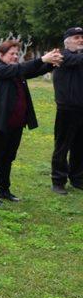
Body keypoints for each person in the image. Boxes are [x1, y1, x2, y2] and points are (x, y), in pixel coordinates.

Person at [0, 41, 62, 205]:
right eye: (11, 53)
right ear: (0, 55)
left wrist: (51, 64)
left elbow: (32, 71)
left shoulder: (15, 71)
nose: (15, 56)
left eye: (16, 54)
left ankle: (4, 190)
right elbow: (22, 68)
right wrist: (42, 59)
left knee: (8, 158)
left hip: (16, 124)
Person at [51, 27, 83, 195]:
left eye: (82, 37)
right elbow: (73, 60)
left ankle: (77, 178)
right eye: (77, 37)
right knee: (62, 146)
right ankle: (58, 181)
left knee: (79, 146)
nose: (81, 40)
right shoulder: (62, 57)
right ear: (67, 40)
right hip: (67, 109)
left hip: (81, 108)